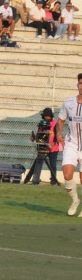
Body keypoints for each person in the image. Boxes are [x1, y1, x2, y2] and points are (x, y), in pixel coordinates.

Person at [56, 75, 82, 215]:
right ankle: (75, 201)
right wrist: (59, 133)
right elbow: (61, 120)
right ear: (77, 85)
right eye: (80, 83)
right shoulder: (68, 102)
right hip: (71, 143)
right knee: (67, 175)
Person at [28, 108, 60, 186]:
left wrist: (53, 144)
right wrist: (33, 137)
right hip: (42, 146)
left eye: (48, 116)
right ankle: (35, 180)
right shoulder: (41, 123)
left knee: (52, 165)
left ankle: (53, 181)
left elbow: (56, 135)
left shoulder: (55, 123)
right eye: (45, 116)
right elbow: (39, 134)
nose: (46, 118)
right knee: (38, 163)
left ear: (51, 116)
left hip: (53, 148)